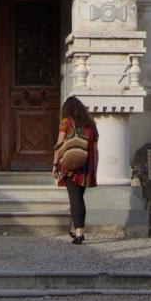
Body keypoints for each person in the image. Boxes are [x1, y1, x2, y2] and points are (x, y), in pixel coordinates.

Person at [52, 95, 98, 244]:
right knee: (79, 197)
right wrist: (94, 168)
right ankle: (77, 229)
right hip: (86, 165)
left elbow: (59, 145)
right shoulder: (91, 125)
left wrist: (55, 165)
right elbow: (95, 150)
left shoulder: (66, 122)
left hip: (71, 165)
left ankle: (79, 233)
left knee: (75, 198)